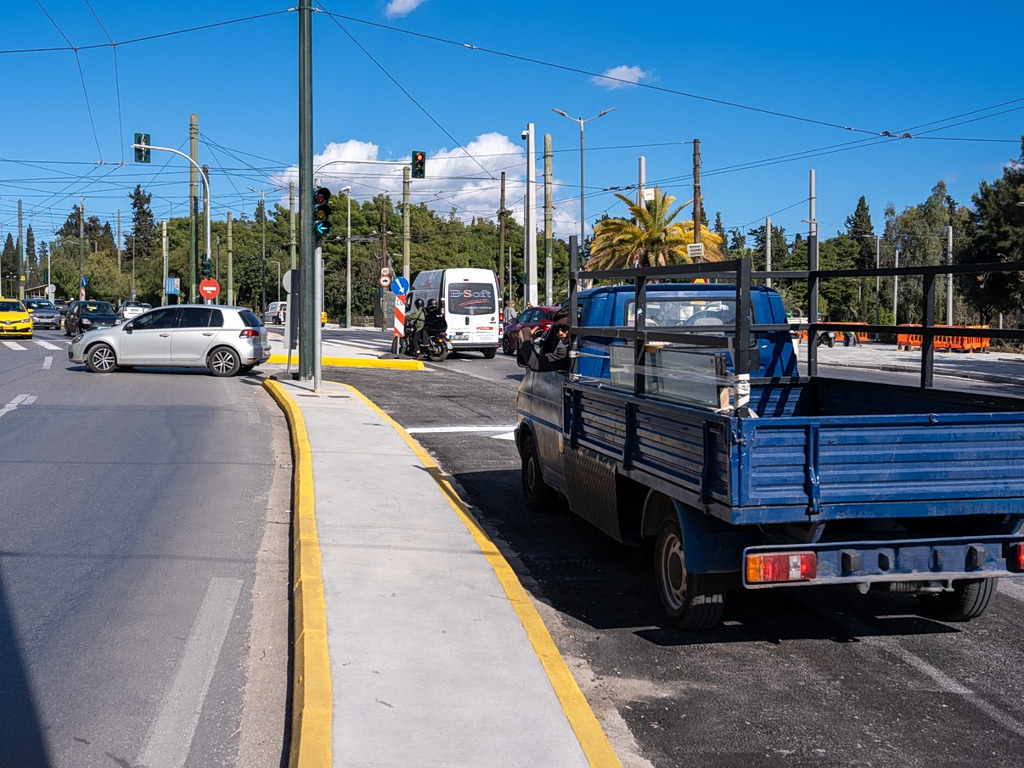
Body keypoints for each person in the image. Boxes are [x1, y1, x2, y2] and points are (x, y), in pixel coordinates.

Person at [518, 308, 570, 372]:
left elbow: (536, 363)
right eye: (556, 329)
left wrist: (526, 339)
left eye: (564, 328)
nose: (560, 333)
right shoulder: (571, 351)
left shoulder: (568, 353)